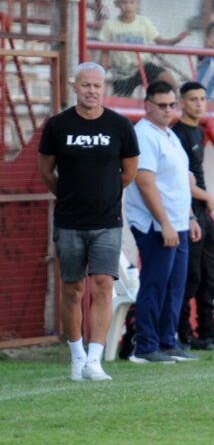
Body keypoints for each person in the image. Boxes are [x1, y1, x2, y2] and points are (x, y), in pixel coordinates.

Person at [38, 62, 140, 381]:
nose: (91, 91)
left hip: (108, 221)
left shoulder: (120, 126)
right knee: (72, 290)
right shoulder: (57, 126)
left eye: (97, 85)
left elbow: (130, 173)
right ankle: (77, 355)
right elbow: (45, 171)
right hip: (69, 222)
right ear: (75, 87)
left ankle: (95, 360)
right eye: (85, 85)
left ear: (104, 88)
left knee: (103, 285)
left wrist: (103, 195)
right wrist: (69, 195)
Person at [125, 81, 201, 363]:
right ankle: (145, 346)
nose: (168, 110)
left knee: (175, 286)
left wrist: (190, 216)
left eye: (172, 104)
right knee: (155, 284)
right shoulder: (144, 134)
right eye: (162, 105)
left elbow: (181, 182)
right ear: (147, 105)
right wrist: (165, 223)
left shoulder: (169, 134)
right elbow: (145, 182)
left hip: (179, 222)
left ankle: (168, 342)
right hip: (156, 225)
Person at [172, 82, 214, 349]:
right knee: (191, 277)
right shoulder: (177, 134)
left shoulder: (198, 132)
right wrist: (207, 197)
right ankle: (184, 335)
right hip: (188, 211)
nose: (199, 104)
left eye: (202, 98)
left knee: (211, 275)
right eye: (193, 99)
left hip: (202, 211)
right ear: (182, 103)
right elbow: (180, 179)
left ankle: (209, 333)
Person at [99, 0, 190, 97]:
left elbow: (160, 41)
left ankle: (179, 100)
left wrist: (176, 40)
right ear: (116, 4)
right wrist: (100, 74)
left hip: (143, 66)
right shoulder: (110, 25)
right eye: (124, 2)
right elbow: (105, 53)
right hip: (122, 72)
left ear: (137, 3)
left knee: (167, 77)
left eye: (132, 2)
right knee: (120, 97)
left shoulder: (143, 22)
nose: (128, 6)